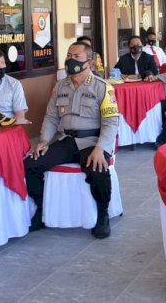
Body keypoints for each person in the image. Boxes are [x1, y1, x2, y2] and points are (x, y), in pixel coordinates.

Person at [24, 42, 120, 237]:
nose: (71, 60)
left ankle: (103, 215)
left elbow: (111, 123)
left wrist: (101, 148)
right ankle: (42, 210)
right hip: (68, 140)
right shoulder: (60, 86)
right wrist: (43, 141)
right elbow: (51, 117)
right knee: (32, 163)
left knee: (98, 169)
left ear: (89, 62)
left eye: (76, 56)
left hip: (93, 141)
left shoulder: (103, 88)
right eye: (69, 55)